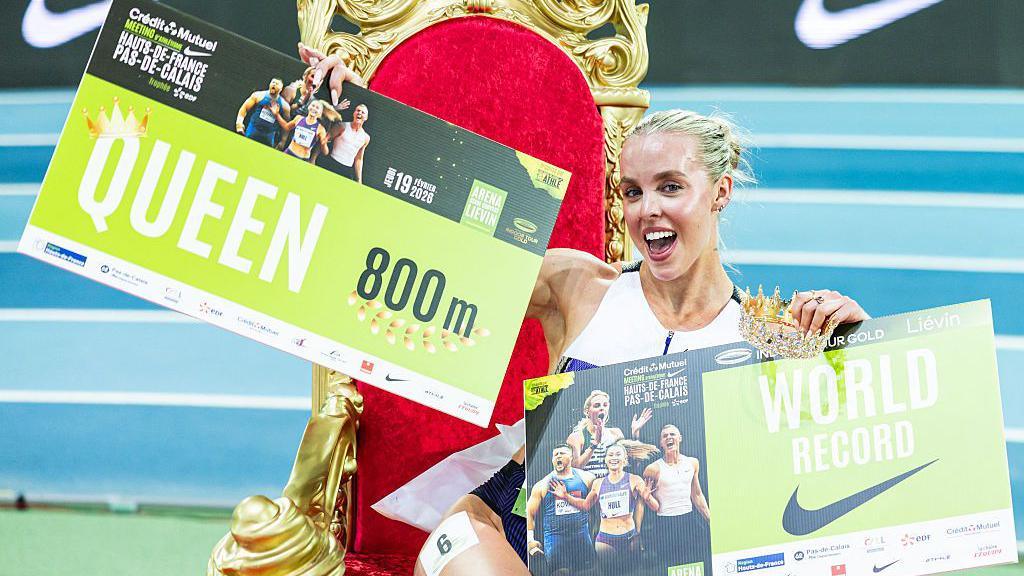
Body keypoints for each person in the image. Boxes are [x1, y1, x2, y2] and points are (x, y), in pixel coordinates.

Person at [297, 48, 870, 574]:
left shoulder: (766, 336)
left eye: (671, 187)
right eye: (632, 192)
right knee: (460, 544)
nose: (648, 211)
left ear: (720, 191)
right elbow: (421, 257)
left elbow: (856, 460)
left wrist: (858, 341)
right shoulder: (579, 285)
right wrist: (344, 116)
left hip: (642, 547)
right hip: (507, 527)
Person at [553, 442, 658, 576]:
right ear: (606, 460)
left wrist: (648, 498)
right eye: (610, 455)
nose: (614, 457)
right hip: (605, 540)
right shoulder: (598, 483)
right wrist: (566, 496)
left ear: (625, 459)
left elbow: (655, 507)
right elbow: (586, 505)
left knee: (633, 572)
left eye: (618, 454)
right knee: (609, 573)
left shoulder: (634, 480)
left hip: (630, 537)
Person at [643, 424, 709, 568]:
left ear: (680, 438)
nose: (669, 438)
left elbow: (697, 495)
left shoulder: (692, 463)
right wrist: (647, 498)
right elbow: (653, 505)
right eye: (665, 436)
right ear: (661, 443)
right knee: (671, 567)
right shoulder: (652, 469)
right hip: (665, 526)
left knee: (696, 565)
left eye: (672, 434)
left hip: (689, 522)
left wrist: (710, 519)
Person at [526, 444, 597, 575]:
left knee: (587, 572)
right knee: (561, 573)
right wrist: (530, 540)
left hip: (581, 534)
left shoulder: (587, 478)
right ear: (552, 460)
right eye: (555, 454)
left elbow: (595, 507)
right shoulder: (542, 485)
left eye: (562, 453)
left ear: (571, 457)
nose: (558, 456)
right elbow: (529, 513)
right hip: (555, 537)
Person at [568, 390, 652, 478]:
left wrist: (635, 433)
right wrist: (594, 445)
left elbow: (632, 465)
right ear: (587, 411)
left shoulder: (615, 433)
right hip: (590, 489)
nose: (602, 408)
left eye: (605, 405)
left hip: (613, 488)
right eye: (597, 405)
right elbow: (574, 470)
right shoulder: (576, 437)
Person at [317, 103, 370, 183]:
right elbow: (323, 140)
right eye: (358, 111)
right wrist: (313, 158)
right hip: (331, 163)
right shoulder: (342, 126)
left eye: (363, 112)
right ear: (354, 113)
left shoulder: (366, 138)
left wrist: (359, 180)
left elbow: (359, 159)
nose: (359, 113)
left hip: (346, 171)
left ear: (366, 118)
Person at [236, 78, 290, 147]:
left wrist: (283, 141)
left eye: (277, 84)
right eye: (273, 82)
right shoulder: (258, 95)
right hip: (253, 129)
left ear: (281, 89)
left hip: (269, 135)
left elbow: (286, 125)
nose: (274, 84)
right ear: (269, 84)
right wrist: (239, 123)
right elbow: (244, 108)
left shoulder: (285, 106)